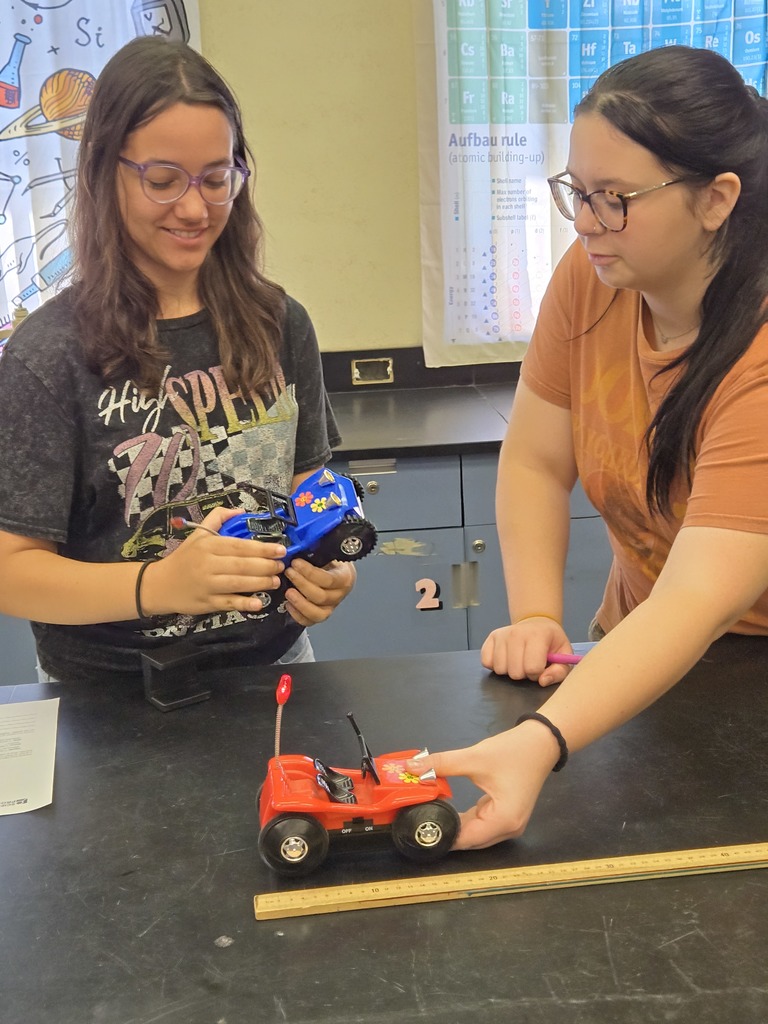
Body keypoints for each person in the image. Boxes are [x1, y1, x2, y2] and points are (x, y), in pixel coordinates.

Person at [408, 45, 768, 849]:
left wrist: (538, 744)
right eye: (578, 192)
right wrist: (538, 612)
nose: (586, 223)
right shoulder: (595, 275)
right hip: (637, 653)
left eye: (616, 198)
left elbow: (696, 600)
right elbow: (537, 460)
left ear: (717, 199)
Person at [0, 37, 355, 684]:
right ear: (104, 171)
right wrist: (159, 584)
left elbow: (309, 486)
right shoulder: (48, 356)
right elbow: (12, 569)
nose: (195, 209)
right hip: (107, 697)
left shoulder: (281, 324)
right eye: (163, 181)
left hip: (274, 670)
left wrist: (329, 565)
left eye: (217, 180)